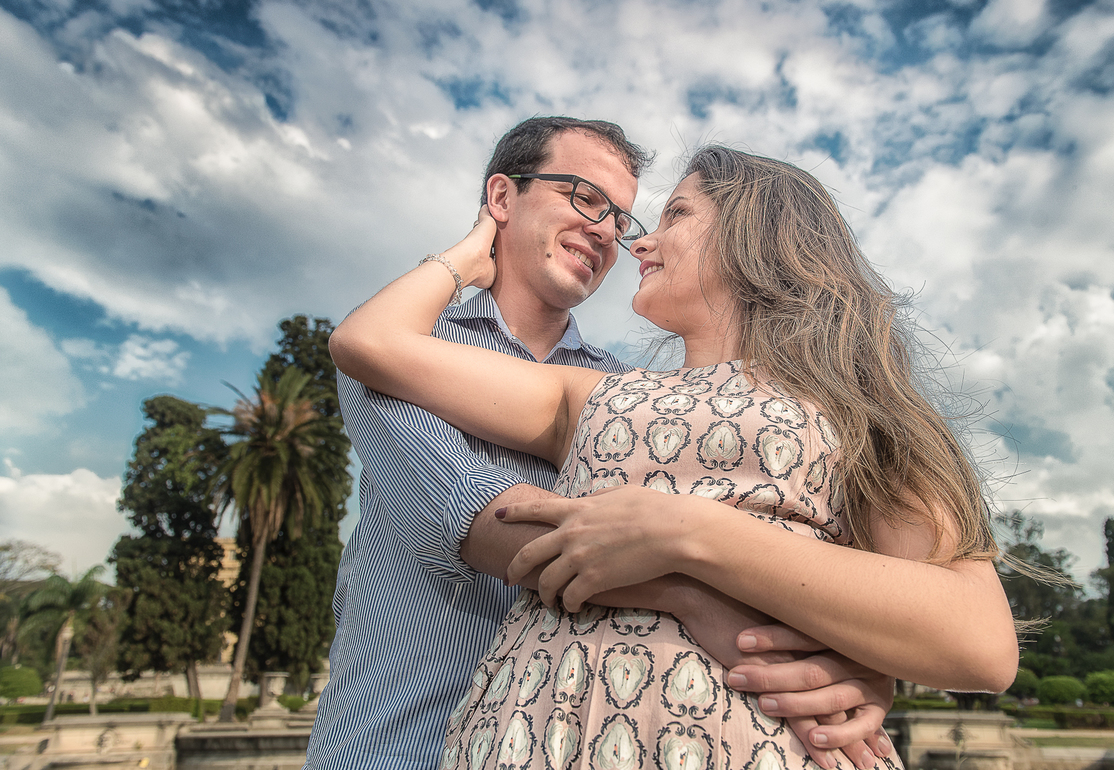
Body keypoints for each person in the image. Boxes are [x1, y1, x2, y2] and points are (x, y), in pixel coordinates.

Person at [330, 144, 1019, 768]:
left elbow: (980, 643)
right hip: (524, 726)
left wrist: (693, 534)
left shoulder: (864, 408)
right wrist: (472, 252)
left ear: (759, 235)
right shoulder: (595, 393)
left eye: (677, 214)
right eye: (586, 199)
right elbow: (369, 344)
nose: (636, 241)